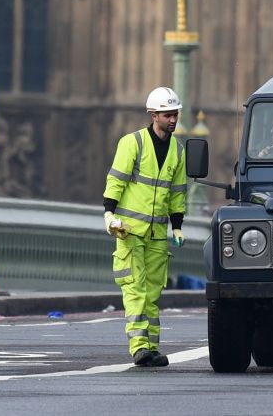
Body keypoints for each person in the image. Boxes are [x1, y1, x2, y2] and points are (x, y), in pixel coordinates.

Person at [102, 86, 188, 367]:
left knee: (153, 292)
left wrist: (177, 226)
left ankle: (151, 347)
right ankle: (138, 346)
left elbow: (177, 192)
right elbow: (116, 180)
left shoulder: (178, 149)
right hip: (128, 230)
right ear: (153, 115)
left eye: (175, 114)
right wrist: (108, 215)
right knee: (135, 288)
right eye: (167, 115)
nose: (173, 119)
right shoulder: (133, 143)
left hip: (158, 234)